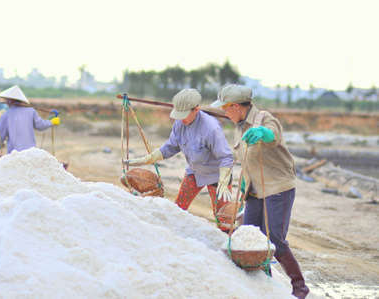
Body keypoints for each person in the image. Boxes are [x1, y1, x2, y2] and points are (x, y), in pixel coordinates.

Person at [211, 84, 309, 299]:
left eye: (226, 108)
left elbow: (273, 135)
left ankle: (299, 286)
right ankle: (264, 283)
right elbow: (246, 160)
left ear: (236, 106)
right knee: (249, 235)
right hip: (254, 190)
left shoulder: (264, 119)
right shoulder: (239, 126)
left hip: (278, 188)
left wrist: (263, 133)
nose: (225, 113)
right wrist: (243, 186)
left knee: (274, 238)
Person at [125, 88, 234, 232]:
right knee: (178, 209)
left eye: (184, 115)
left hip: (217, 177)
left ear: (196, 109)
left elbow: (226, 156)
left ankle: (227, 245)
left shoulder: (211, 128)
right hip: (194, 172)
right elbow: (171, 146)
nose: (181, 119)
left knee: (223, 220)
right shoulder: (179, 124)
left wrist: (224, 181)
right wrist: (151, 157)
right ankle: (174, 235)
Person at [0, 85, 60, 153]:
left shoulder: (6, 114)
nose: (6, 102)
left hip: (14, 153)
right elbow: (40, 125)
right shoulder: (31, 111)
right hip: (30, 151)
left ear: (10, 101)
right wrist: (51, 122)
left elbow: (1, 135)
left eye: (7, 100)